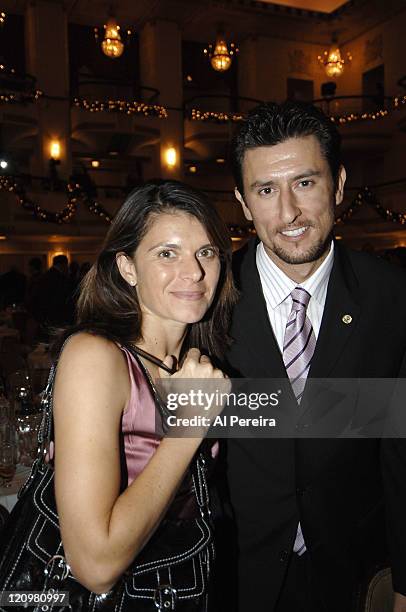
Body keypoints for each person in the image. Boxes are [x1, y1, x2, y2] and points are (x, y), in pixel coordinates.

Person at [223, 101, 406, 612]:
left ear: (339, 184)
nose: (288, 214)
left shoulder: (393, 299)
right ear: (243, 202)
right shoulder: (206, 302)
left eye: (305, 183)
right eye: (265, 191)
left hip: (353, 573)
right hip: (236, 576)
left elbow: (401, 450)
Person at [51, 180, 236, 610]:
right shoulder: (95, 357)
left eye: (206, 252)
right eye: (167, 254)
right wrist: (190, 426)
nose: (194, 272)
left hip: (183, 587)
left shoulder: (196, 364)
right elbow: (94, 566)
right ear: (127, 267)